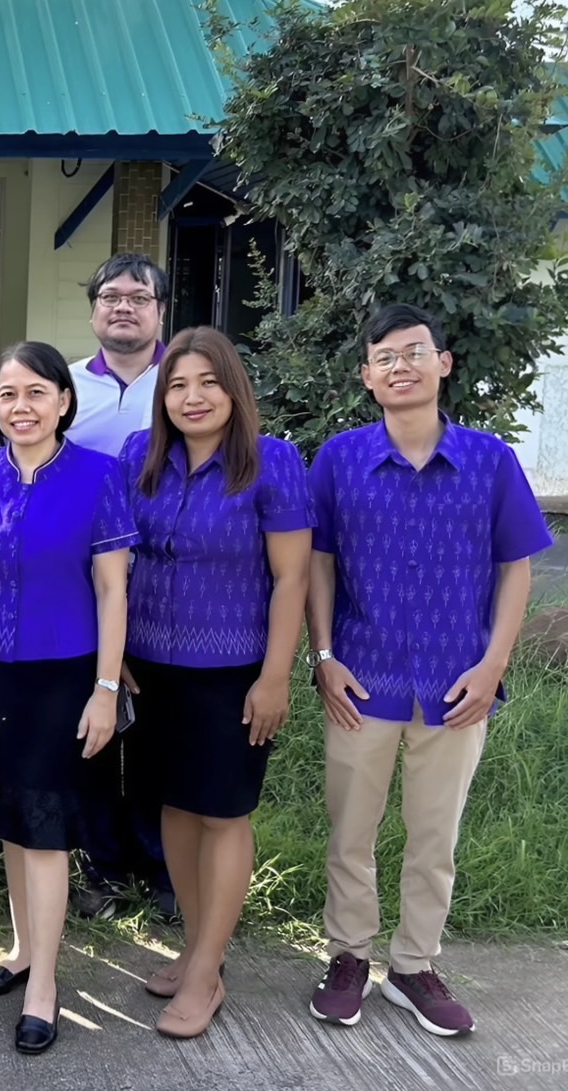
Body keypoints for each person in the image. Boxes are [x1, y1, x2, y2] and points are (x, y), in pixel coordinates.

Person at [305, 303, 552, 1037]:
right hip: (360, 678)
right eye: (384, 356)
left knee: (433, 835)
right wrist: (321, 657)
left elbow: (515, 566)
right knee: (350, 830)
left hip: (456, 683)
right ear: (366, 376)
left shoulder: (488, 459)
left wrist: (493, 663)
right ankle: (347, 955)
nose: (400, 366)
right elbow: (316, 562)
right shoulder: (340, 458)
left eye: (415, 352)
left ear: (443, 363)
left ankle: (413, 965)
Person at [0, 342, 136, 1056]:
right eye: (8, 394)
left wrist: (105, 689)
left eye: (35, 393)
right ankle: (20, 950)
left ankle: (45, 981)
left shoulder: (98, 475)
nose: (21, 407)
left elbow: (113, 589)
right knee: (13, 821)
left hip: (63, 674)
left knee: (45, 830)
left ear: (63, 401)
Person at [118, 327, 313, 1038]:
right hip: (149, 668)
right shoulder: (137, 460)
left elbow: (291, 577)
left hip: (233, 672)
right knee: (173, 805)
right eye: (176, 384)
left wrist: (274, 676)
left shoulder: (271, 463)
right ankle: (196, 948)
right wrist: (114, 657)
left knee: (223, 814)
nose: (191, 397)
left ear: (233, 390)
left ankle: (206, 972)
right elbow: (113, 561)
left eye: (206, 382)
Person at [65, 252, 175, 921]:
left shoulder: (186, 379)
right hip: (85, 586)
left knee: (160, 735)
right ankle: (103, 865)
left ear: (161, 309)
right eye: (110, 296)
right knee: (94, 732)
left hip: (169, 585)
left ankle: (163, 867)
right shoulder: (68, 386)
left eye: (139, 296)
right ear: (92, 310)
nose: (123, 306)